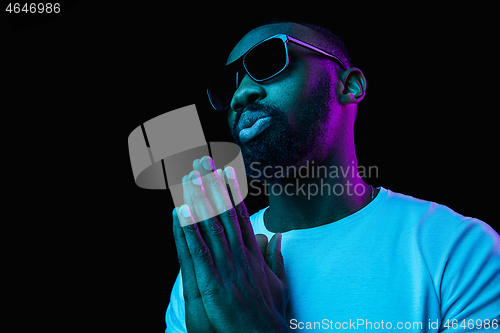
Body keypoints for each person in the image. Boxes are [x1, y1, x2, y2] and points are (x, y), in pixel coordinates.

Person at [166, 21, 500, 332]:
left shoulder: (458, 249)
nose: (240, 96)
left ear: (349, 86)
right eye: (229, 87)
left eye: (268, 63)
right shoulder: (209, 271)